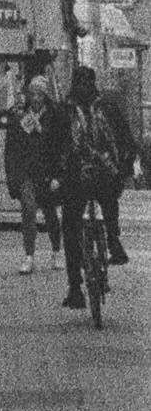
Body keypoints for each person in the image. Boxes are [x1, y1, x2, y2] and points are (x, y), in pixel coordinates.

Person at [53, 67, 122, 309]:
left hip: (78, 175)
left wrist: (54, 175)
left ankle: (75, 288)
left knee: (71, 230)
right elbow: (123, 139)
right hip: (97, 172)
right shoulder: (105, 107)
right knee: (108, 201)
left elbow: (54, 146)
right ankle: (113, 242)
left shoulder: (64, 109)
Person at [3, 75, 60, 275]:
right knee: (28, 210)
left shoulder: (54, 115)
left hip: (47, 173)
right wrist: (13, 176)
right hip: (26, 172)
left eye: (40, 94)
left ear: (45, 96)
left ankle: (55, 250)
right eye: (33, 93)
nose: (36, 98)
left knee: (51, 214)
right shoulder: (19, 116)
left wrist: (57, 176)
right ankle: (29, 255)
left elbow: (59, 146)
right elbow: (11, 147)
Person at [96, 80, 138, 263]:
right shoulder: (113, 111)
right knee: (110, 206)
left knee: (104, 203)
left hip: (104, 169)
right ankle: (113, 242)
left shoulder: (98, 109)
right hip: (111, 171)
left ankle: (110, 243)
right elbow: (129, 142)